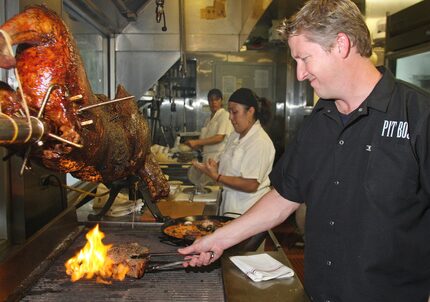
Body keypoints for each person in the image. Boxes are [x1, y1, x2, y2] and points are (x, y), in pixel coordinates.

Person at [178, 1, 430, 301]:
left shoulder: (418, 115)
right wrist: (219, 238)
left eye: (304, 59)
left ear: (341, 45)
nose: (300, 74)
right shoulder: (319, 119)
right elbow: (284, 196)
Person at [192, 87, 275, 216]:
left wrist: (217, 176)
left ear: (250, 111)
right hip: (231, 205)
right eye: (229, 111)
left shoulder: (259, 141)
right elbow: (230, 164)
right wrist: (215, 167)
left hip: (248, 209)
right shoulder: (235, 136)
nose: (230, 117)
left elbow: (251, 184)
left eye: (234, 112)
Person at [185, 88, 233, 162]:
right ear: (208, 102)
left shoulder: (225, 115)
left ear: (221, 101)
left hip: (218, 159)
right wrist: (191, 146)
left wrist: (196, 142)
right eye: (211, 100)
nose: (214, 102)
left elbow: (219, 138)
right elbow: (204, 143)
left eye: (217, 99)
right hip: (207, 159)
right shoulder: (207, 120)